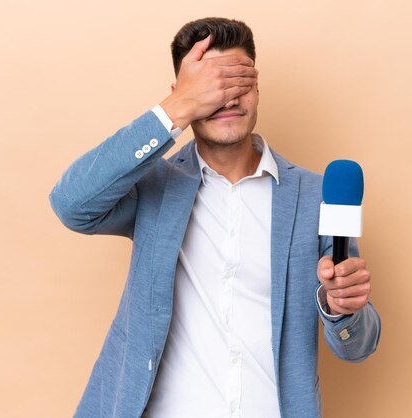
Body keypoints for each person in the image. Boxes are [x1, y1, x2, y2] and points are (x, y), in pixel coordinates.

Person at [50, 17, 380, 418]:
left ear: (257, 89)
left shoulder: (315, 196)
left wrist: (341, 307)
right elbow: (71, 205)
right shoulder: (153, 186)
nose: (227, 100)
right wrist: (178, 108)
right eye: (211, 87)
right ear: (183, 93)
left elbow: (355, 346)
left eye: (238, 85)